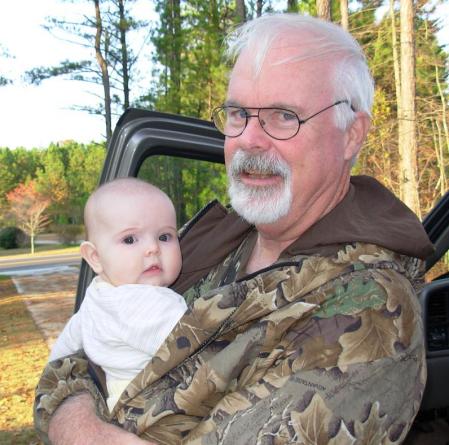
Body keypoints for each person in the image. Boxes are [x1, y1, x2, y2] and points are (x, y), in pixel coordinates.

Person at [34, 13, 434, 445]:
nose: (249, 139)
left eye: (284, 116)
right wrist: (87, 429)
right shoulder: (208, 239)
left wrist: (80, 426)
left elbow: (76, 375)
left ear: (351, 134)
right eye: (238, 113)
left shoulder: (370, 309)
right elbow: (72, 354)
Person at [48, 177, 187, 412]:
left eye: (165, 237)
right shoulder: (151, 303)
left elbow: (61, 354)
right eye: (130, 239)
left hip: (119, 405)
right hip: (160, 409)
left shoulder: (97, 295)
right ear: (95, 257)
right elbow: (199, 344)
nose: (153, 248)